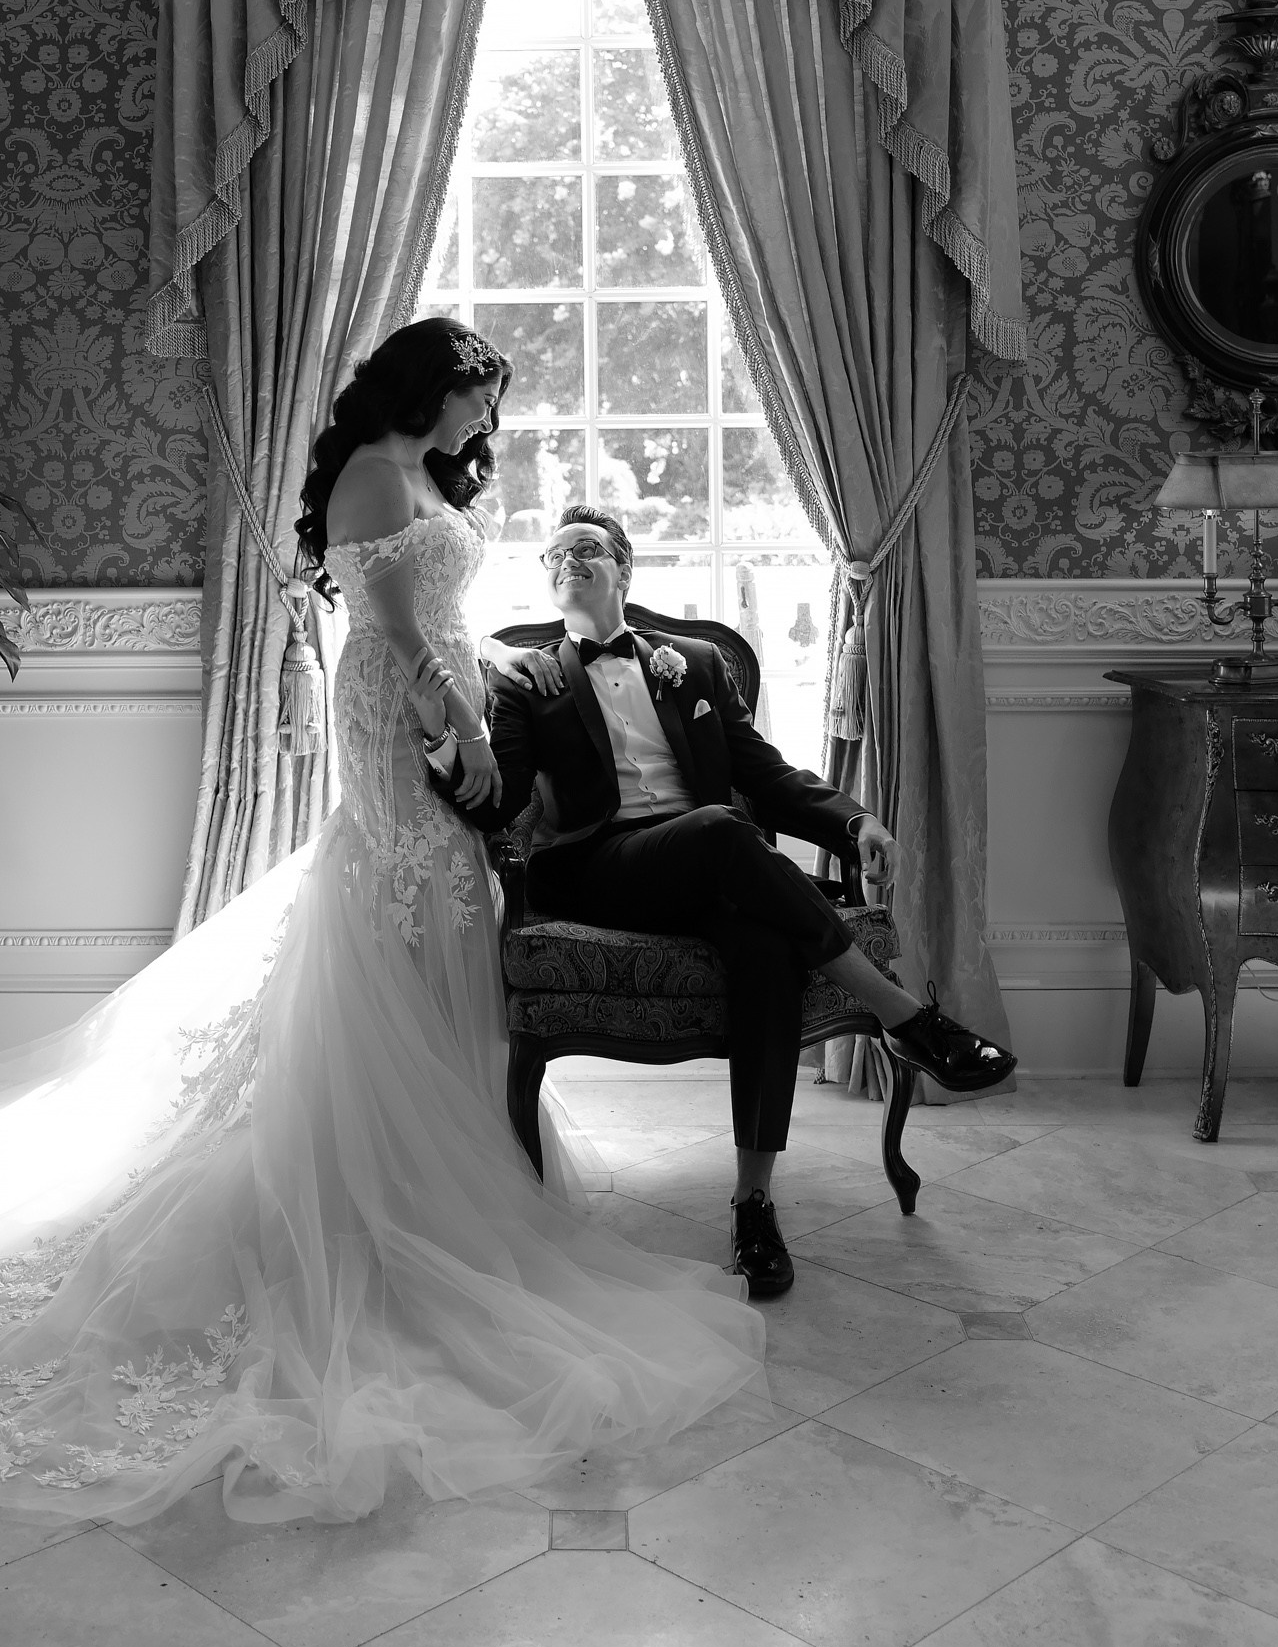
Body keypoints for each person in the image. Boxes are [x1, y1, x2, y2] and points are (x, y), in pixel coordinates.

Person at [0, 323, 766, 1525]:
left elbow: (419, 608)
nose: (483, 423)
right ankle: (388, 1189)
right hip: (401, 711)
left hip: (421, 702)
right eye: (474, 397)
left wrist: (476, 696)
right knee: (409, 883)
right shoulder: (378, 472)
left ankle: (448, 1146)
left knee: (434, 892)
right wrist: (460, 717)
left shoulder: (406, 470)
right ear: (428, 388)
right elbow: (388, 625)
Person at [425, 501, 1015, 1300]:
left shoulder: (696, 662)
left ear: (624, 571)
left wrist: (856, 819)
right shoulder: (528, 677)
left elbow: (766, 776)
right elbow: (502, 807)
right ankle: (904, 1016)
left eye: (589, 549)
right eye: (556, 554)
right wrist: (447, 738)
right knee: (721, 829)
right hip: (603, 869)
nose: (570, 560)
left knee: (765, 947)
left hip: (714, 862)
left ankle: (754, 1206)